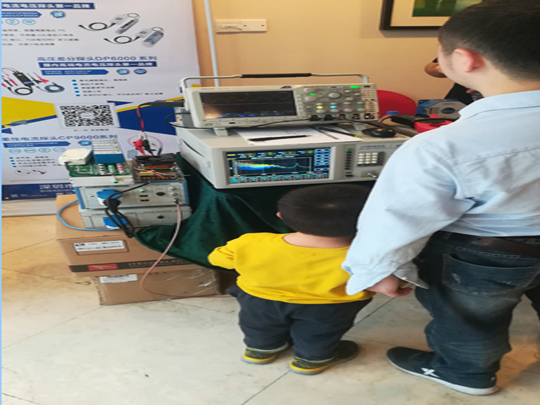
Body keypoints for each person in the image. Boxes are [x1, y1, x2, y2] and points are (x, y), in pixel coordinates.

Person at [343, 0, 540, 396]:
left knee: (470, 318)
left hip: (484, 255)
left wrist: (376, 269)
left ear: (465, 60)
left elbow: (397, 217)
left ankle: (466, 373)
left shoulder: (441, 146)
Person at [208, 185, 386, 375]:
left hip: (258, 300)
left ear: (280, 216)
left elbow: (216, 259)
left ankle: (260, 350)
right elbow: (389, 283)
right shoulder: (369, 256)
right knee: (318, 334)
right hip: (330, 307)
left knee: (258, 326)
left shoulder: (250, 242)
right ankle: (311, 360)